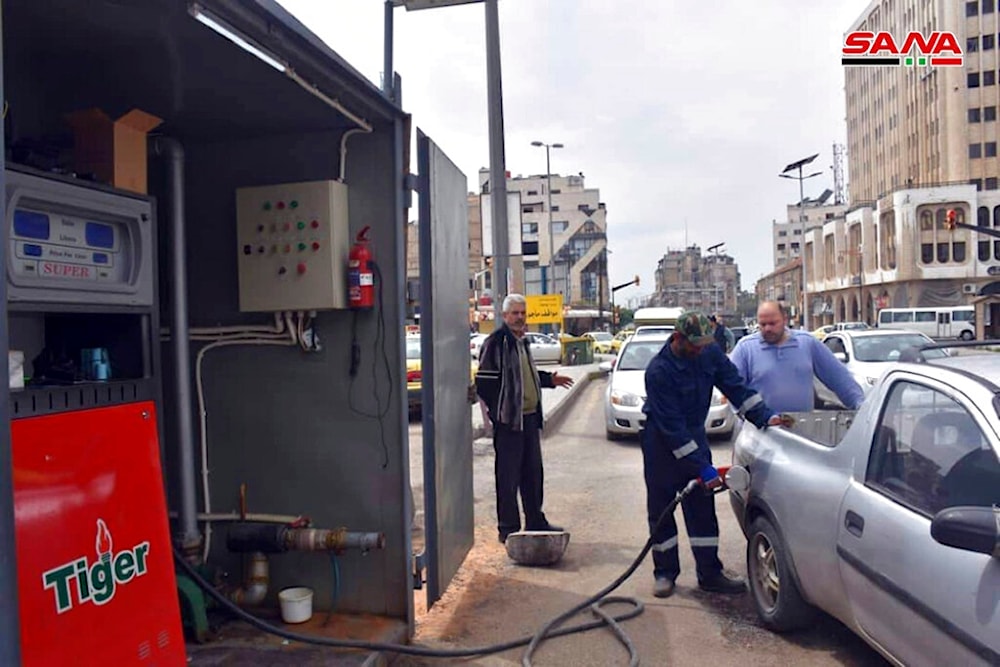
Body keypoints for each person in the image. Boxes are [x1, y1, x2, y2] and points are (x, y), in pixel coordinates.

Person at [642, 310, 783, 598]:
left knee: (702, 511)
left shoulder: (708, 353)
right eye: (696, 344)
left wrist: (765, 417)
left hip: (693, 436)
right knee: (662, 511)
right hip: (661, 445)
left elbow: (736, 386)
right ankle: (665, 573)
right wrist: (701, 467)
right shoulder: (658, 371)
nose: (701, 349)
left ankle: (710, 573)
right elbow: (672, 428)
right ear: (678, 339)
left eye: (705, 344)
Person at [476, 294, 575, 544]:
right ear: (505, 316)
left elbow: (523, 377)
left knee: (532, 474)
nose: (520, 317)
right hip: (510, 423)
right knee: (508, 479)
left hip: (530, 420)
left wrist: (548, 380)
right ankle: (508, 529)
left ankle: (535, 520)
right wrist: (499, 415)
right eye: (515, 313)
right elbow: (485, 383)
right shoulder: (496, 342)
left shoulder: (523, 342)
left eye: (523, 313)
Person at [729, 301, 865, 413]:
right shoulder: (745, 348)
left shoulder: (806, 343)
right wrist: (748, 415)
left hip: (801, 432)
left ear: (784, 320)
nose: (767, 329)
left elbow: (839, 377)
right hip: (759, 433)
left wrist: (862, 408)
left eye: (772, 323)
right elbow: (732, 388)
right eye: (763, 324)